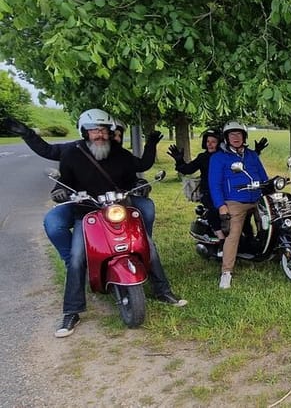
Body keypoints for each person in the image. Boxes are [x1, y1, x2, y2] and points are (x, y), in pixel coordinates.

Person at [52, 109, 186, 338]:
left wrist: (141, 184)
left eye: (103, 130)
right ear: (85, 131)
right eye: (94, 130)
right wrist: (60, 192)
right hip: (87, 213)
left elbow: (132, 176)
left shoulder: (119, 154)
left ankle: (163, 291)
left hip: (119, 210)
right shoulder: (72, 155)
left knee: (148, 246)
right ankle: (71, 311)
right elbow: (63, 184)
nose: (100, 135)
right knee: (76, 258)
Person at [1, 114, 162, 270]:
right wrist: (28, 134)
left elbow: (136, 171)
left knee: (147, 207)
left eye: (117, 135)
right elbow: (49, 153)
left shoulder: (119, 154)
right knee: (53, 222)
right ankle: (72, 262)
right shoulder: (74, 150)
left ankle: (141, 245)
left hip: (115, 204)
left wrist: (140, 182)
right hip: (83, 204)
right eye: (114, 135)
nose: (115, 139)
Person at [208, 121, 268, 289]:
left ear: (244, 136)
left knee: (272, 220)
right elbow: (215, 183)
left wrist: (269, 187)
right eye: (232, 134)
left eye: (239, 134)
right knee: (233, 234)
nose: (236, 137)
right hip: (235, 201)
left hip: (256, 198)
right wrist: (221, 205)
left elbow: (263, 176)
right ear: (226, 138)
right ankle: (226, 272)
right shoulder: (219, 157)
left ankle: (266, 249)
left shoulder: (251, 155)